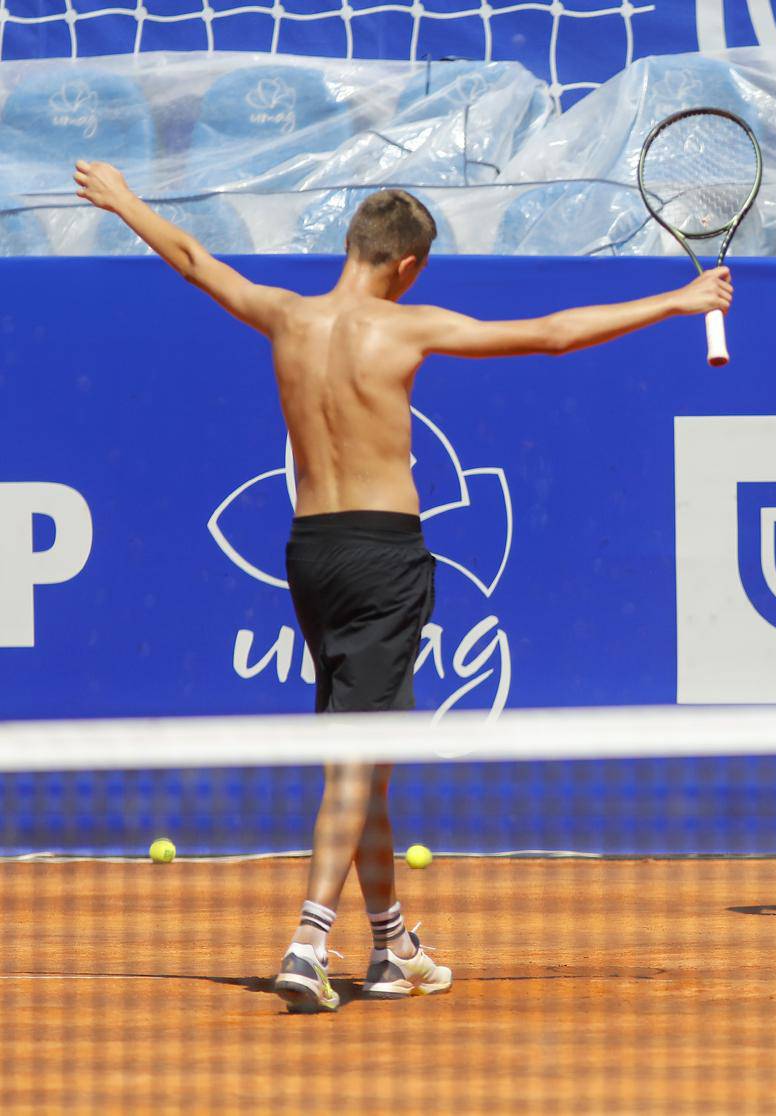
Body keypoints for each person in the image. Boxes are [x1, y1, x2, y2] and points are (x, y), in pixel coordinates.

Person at [75, 161, 732, 1011]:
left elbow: (196, 259)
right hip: (385, 558)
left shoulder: (285, 315)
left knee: (365, 757)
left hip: (311, 554)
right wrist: (675, 303)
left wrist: (126, 201)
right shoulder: (409, 325)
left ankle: (391, 945)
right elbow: (555, 333)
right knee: (356, 759)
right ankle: (310, 940)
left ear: (352, 246)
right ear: (408, 266)